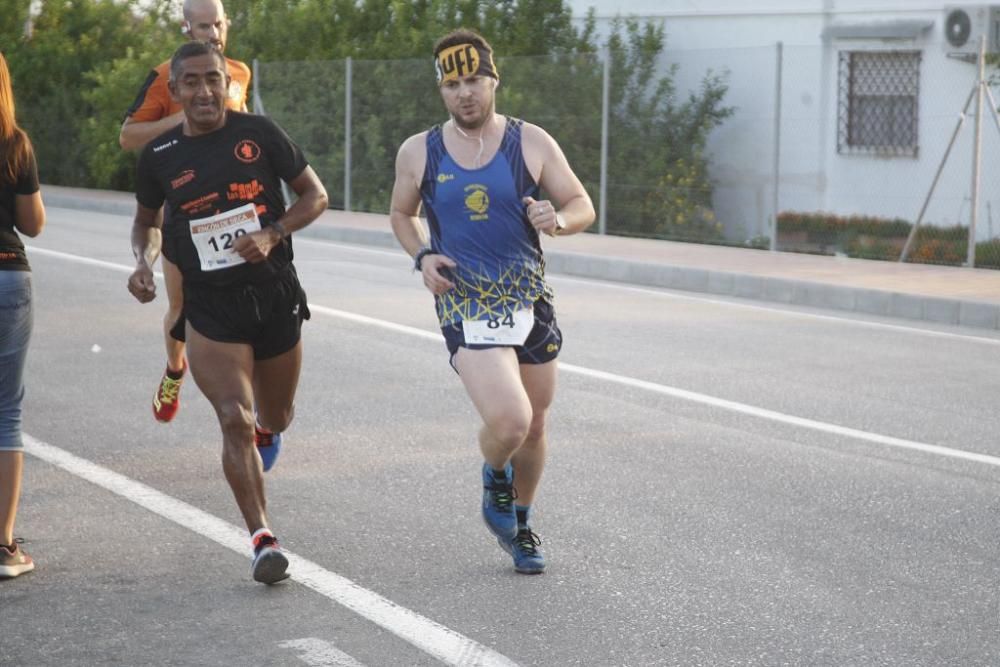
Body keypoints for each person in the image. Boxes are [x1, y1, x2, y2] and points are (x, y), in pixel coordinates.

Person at [389, 29, 595, 574]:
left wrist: (560, 220)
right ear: (441, 89)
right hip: (465, 304)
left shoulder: (530, 143)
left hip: (530, 302)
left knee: (536, 424)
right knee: (510, 421)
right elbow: (400, 214)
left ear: (493, 79)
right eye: (452, 83)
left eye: (474, 79)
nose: (465, 93)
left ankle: (521, 526)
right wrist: (422, 255)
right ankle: (493, 477)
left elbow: (580, 204)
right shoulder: (420, 151)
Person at [127, 41, 328, 583]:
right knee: (231, 418)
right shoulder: (161, 155)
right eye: (190, 82)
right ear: (175, 91)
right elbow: (145, 222)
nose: (204, 91)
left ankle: (270, 428)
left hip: (273, 294)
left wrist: (273, 231)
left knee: (274, 415)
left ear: (227, 82)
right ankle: (263, 540)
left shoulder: (259, 133)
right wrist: (143, 264)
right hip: (209, 305)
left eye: (212, 79)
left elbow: (315, 196)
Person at [120, 0, 252, 431]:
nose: (212, 33)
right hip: (183, 207)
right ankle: (176, 371)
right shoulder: (165, 78)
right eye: (202, 26)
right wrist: (187, 118)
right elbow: (128, 136)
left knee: (256, 305)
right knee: (181, 311)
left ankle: (255, 407)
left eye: (218, 24)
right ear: (186, 29)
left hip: (235, 210)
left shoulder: (239, 72)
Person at [0, 51, 46, 579]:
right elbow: (33, 224)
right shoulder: (14, 142)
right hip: (8, 275)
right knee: (4, 413)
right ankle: (3, 545)